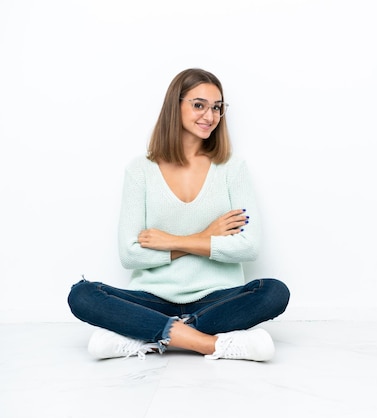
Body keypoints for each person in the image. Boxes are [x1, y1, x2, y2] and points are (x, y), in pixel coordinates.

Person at [67, 68, 290, 362]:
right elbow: (129, 254)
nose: (209, 116)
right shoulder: (140, 170)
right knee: (81, 294)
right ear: (176, 105)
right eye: (199, 105)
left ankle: (147, 335)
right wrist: (205, 237)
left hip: (217, 298)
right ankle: (210, 344)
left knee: (275, 291)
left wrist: (171, 241)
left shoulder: (232, 168)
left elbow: (248, 247)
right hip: (151, 299)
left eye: (217, 108)